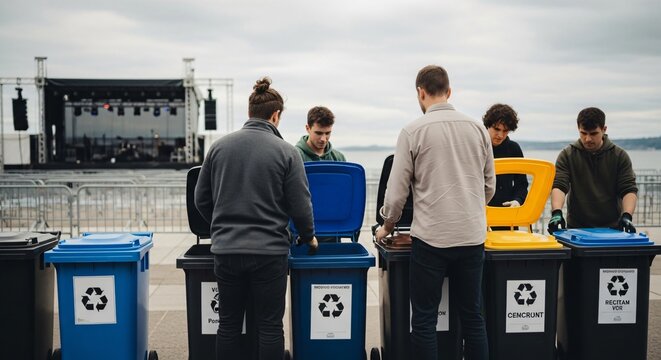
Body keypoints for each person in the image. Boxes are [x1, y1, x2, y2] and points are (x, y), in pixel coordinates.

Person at [376, 65, 495, 360]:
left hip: (431, 241)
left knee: (426, 320)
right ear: (449, 92)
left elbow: (396, 193)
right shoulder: (478, 129)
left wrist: (387, 226)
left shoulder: (412, 131)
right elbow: (489, 187)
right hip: (471, 237)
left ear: (420, 92)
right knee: (473, 318)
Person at [195, 77, 318, 360]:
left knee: (227, 324)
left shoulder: (219, 148)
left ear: (249, 112)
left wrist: (221, 224)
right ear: (276, 116)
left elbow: (201, 198)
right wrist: (308, 235)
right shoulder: (287, 152)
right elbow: (301, 205)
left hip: (226, 250)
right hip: (269, 253)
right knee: (269, 326)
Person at [547, 107, 638, 234]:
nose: (588, 139)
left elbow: (628, 189)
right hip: (577, 227)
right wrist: (556, 213)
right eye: (583, 133)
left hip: (612, 227)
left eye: (593, 133)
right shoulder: (567, 155)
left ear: (604, 129)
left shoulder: (620, 156)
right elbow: (559, 186)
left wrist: (627, 216)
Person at [483, 104, 528, 230]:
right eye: (496, 129)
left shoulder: (514, 148)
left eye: (505, 131)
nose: (500, 135)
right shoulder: (477, 146)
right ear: (487, 125)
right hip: (480, 215)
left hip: (507, 216)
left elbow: (522, 184)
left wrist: (518, 201)